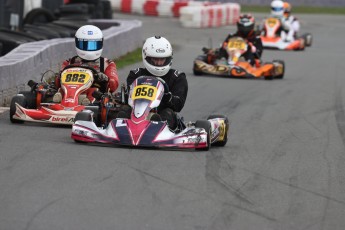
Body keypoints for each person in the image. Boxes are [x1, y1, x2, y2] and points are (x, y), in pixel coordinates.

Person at [121, 36, 188, 131]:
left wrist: (168, 97)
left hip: (162, 113)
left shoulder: (177, 77)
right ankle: (122, 130)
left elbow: (178, 105)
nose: (159, 63)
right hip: (135, 113)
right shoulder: (136, 74)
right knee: (124, 111)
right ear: (146, 57)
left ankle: (158, 129)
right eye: (155, 59)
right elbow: (129, 99)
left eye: (162, 59)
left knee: (167, 113)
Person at [53, 24, 119, 104]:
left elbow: (114, 84)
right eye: (85, 45)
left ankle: (87, 103)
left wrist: (105, 79)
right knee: (61, 90)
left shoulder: (107, 63)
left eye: (93, 45)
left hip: (96, 95)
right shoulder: (70, 62)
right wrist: (59, 76)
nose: (89, 49)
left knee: (93, 91)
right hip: (69, 91)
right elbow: (57, 82)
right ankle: (59, 100)